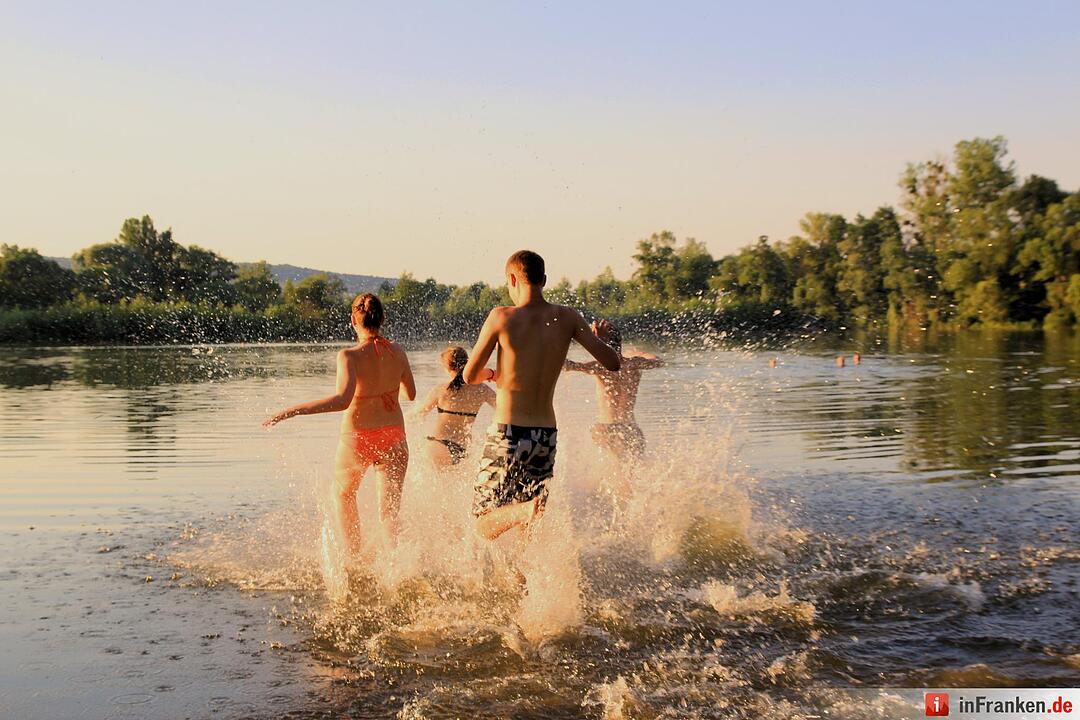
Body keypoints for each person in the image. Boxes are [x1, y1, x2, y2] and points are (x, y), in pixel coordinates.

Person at [462, 250, 621, 544]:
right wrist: (599, 340)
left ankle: (522, 511)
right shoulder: (569, 317)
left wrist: (493, 374)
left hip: (508, 433)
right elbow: (613, 363)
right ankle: (523, 571)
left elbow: (469, 375)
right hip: (545, 436)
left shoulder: (501, 316)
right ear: (544, 280)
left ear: (512, 279)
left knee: (483, 522)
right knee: (530, 523)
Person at [263, 293, 416, 555]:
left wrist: (294, 410)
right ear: (383, 319)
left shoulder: (348, 356)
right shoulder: (398, 351)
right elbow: (410, 394)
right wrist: (386, 391)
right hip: (393, 435)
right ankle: (397, 564)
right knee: (389, 513)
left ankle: (353, 558)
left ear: (353, 321)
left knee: (344, 496)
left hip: (358, 437)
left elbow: (342, 400)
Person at [563, 321, 663, 469]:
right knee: (633, 475)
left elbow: (568, 365)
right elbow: (658, 361)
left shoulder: (599, 366)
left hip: (606, 430)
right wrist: (639, 353)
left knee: (609, 475)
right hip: (631, 429)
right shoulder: (635, 364)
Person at [416, 346, 495, 469]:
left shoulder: (441, 390)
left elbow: (418, 414)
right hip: (463, 448)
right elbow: (503, 408)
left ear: (447, 368)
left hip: (438, 445)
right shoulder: (482, 389)